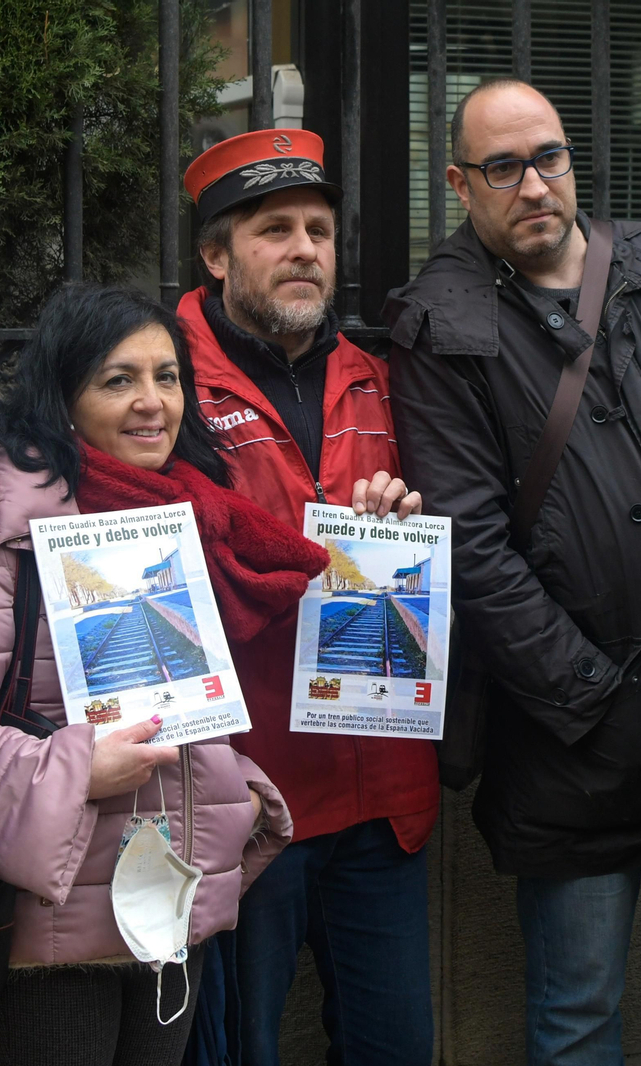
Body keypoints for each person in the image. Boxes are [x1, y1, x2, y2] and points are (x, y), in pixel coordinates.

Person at [384, 78, 641, 1064]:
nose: (534, 185)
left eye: (547, 157)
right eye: (502, 168)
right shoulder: (438, 323)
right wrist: (584, 690)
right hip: (571, 734)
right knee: (577, 1011)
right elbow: (466, 541)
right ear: (461, 184)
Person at [0, 282, 317, 1066]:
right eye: (119, 380)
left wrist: (234, 785)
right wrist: (80, 769)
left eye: (167, 376)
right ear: (62, 396)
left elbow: (207, 699)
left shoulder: (196, 522)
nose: (152, 403)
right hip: (49, 937)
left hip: (167, 908)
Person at [176, 128, 440, 1066]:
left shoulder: (379, 379)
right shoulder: (166, 384)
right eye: (274, 230)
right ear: (215, 255)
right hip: (252, 798)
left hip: (382, 794)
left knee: (396, 1048)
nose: (305, 250)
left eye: (320, 231)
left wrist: (395, 529)